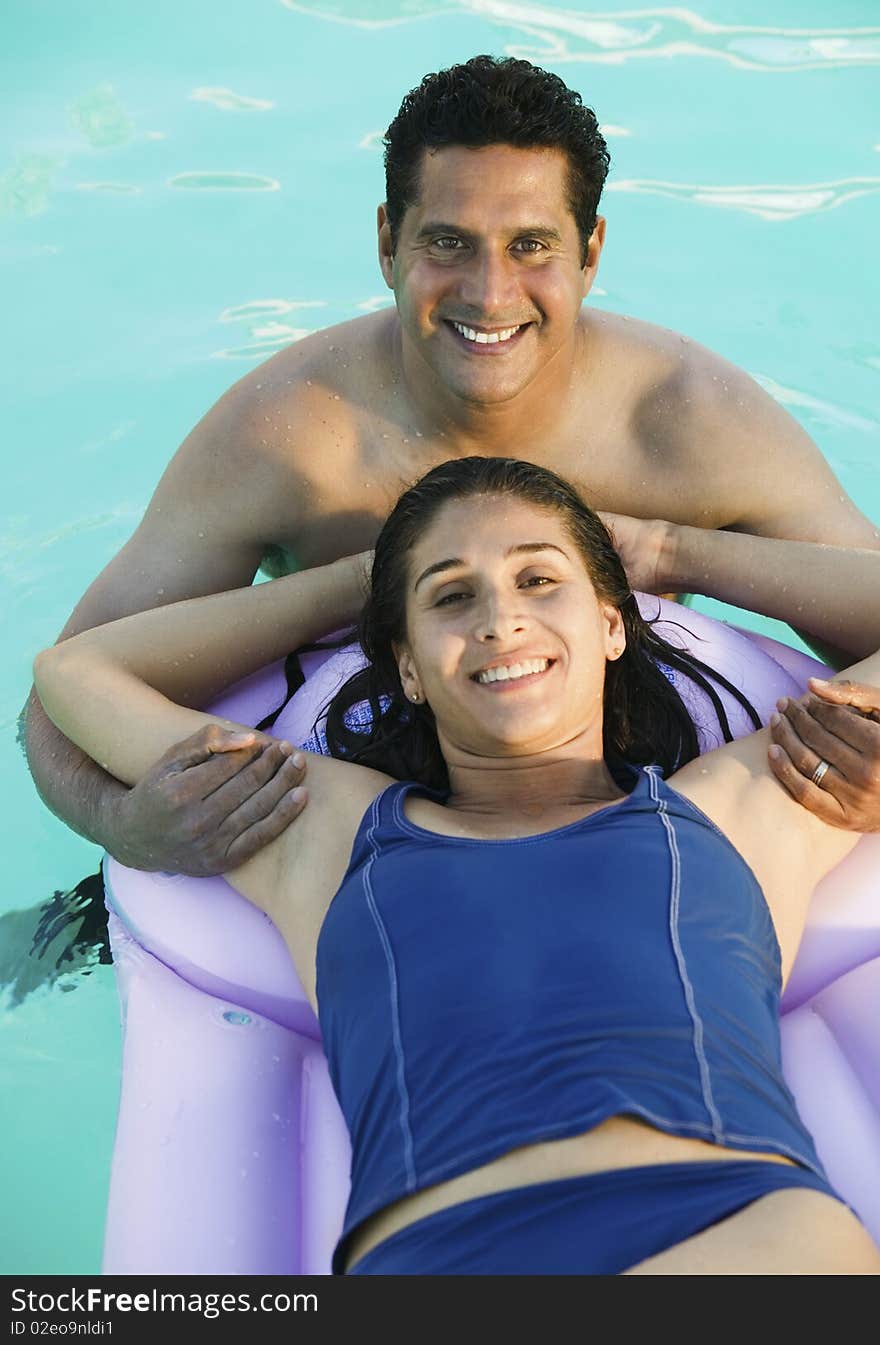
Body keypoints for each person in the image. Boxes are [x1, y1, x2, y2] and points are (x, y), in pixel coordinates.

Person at [24, 54, 880, 883]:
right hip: (334, 800)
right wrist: (124, 827)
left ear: (592, 252)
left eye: (532, 245)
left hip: (628, 790)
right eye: (449, 242)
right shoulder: (289, 438)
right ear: (388, 241)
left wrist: (671, 551)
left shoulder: (691, 424)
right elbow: (59, 707)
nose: (490, 292)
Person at [33, 457, 880, 1274]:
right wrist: (351, 584)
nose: (499, 619)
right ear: (405, 664)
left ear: (614, 624)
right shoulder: (324, 828)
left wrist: (674, 551)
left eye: (540, 579)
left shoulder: (738, 808)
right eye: (449, 594)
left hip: (740, 1238)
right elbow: (77, 672)